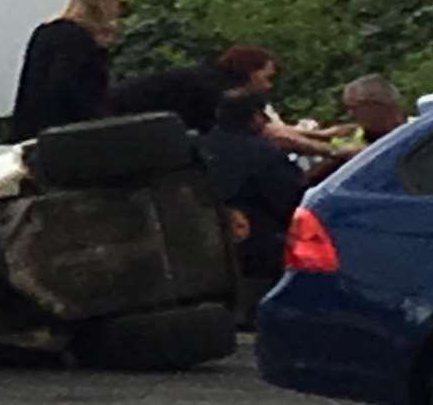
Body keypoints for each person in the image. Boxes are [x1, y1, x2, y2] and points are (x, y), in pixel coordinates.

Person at [9, 0, 134, 142]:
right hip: (66, 136)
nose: (120, 11)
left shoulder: (46, 31)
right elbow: (73, 90)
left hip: (33, 132)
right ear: (104, 4)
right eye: (119, 3)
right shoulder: (78, 40)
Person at [200, 90, 308, 288]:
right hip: (264, 251)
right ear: (256, 117)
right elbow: (294, 201)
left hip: (215, 252)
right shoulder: (261, 153)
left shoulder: (203, 148)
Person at [109, 45, 276, 133]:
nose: (268, 86)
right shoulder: (215, 92)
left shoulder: (208, 78)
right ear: (250, 72)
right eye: (266, 78)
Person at [305, 74, 408, 185]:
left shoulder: (415, 133)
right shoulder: (354, 134)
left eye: (354, 107)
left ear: (376, 105)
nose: (350, 114)